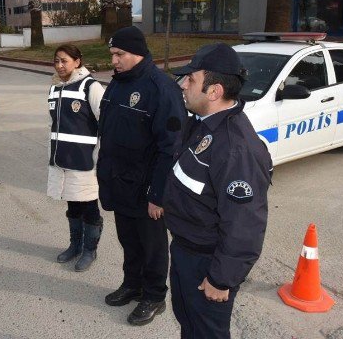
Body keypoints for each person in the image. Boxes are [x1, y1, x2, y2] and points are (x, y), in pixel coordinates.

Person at [164, 43, 272, 338]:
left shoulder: (237, 149)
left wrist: (221, 279)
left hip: (207, 262)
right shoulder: (201, 123)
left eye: (191, 80)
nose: (183, 85)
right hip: (186, 248)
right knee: (188, 321)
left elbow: (245, 226)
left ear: (214, 92)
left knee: (207, 331)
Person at [97, 26, 186, 326]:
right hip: (120, 182)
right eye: (112, 55)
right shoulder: (117, 84)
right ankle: (132, 284)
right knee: (128, 241)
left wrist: (157, 194)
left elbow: (170, 148)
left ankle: (154, 295)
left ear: (137, 52)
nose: (115, 61)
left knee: (152, 246)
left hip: (146, 188)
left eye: (119, 54)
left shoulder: (161, 88)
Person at [47, 44, 105, 272]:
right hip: (63, 161)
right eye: (56, 61)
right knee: (73, 207)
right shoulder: (54, 88)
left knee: (89, 208)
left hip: (86, 163)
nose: (60, 66)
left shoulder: (91, 87)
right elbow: (52, 125)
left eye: (65, 61)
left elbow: (105, 124)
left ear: (77, 62)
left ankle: (90, 250)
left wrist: (101, 158)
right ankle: (75, 245)